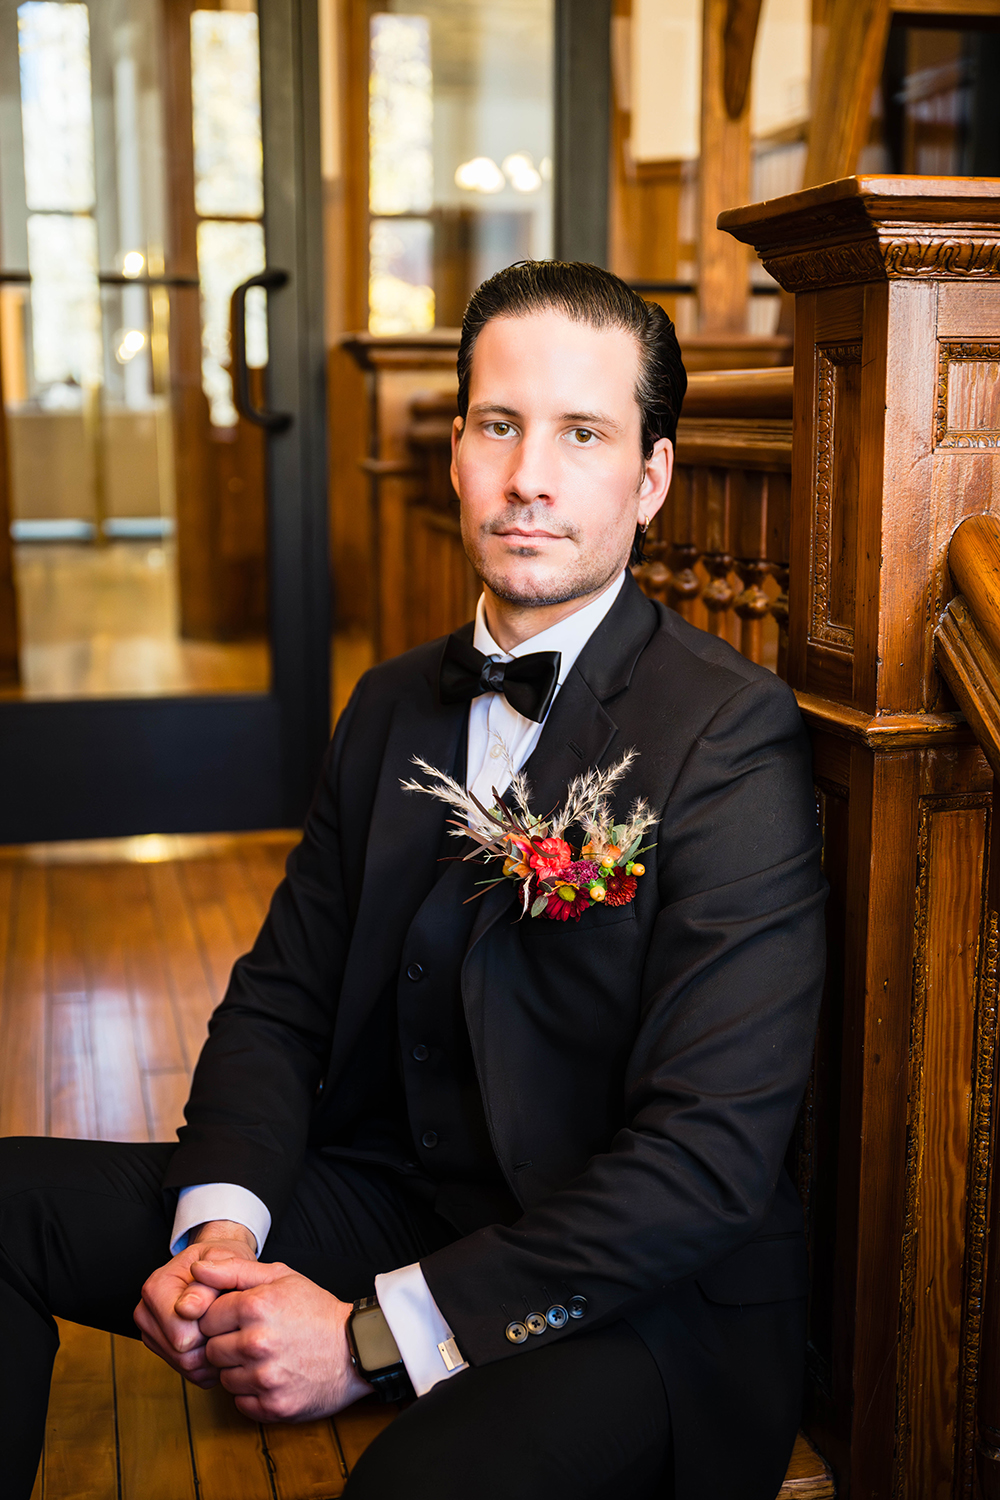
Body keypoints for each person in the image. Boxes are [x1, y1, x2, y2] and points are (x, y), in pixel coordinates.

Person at [0, 261, 826, 1500]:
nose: (529, 476)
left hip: (637, 1302)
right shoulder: (390, 701)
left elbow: (704, 1164)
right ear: (455, 451)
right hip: (399, 1200)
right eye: (500, 425)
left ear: (650, 478)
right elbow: (279, 999)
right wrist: (220, 1233)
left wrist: (370, 1339)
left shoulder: (729, 734)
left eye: (582, 434)